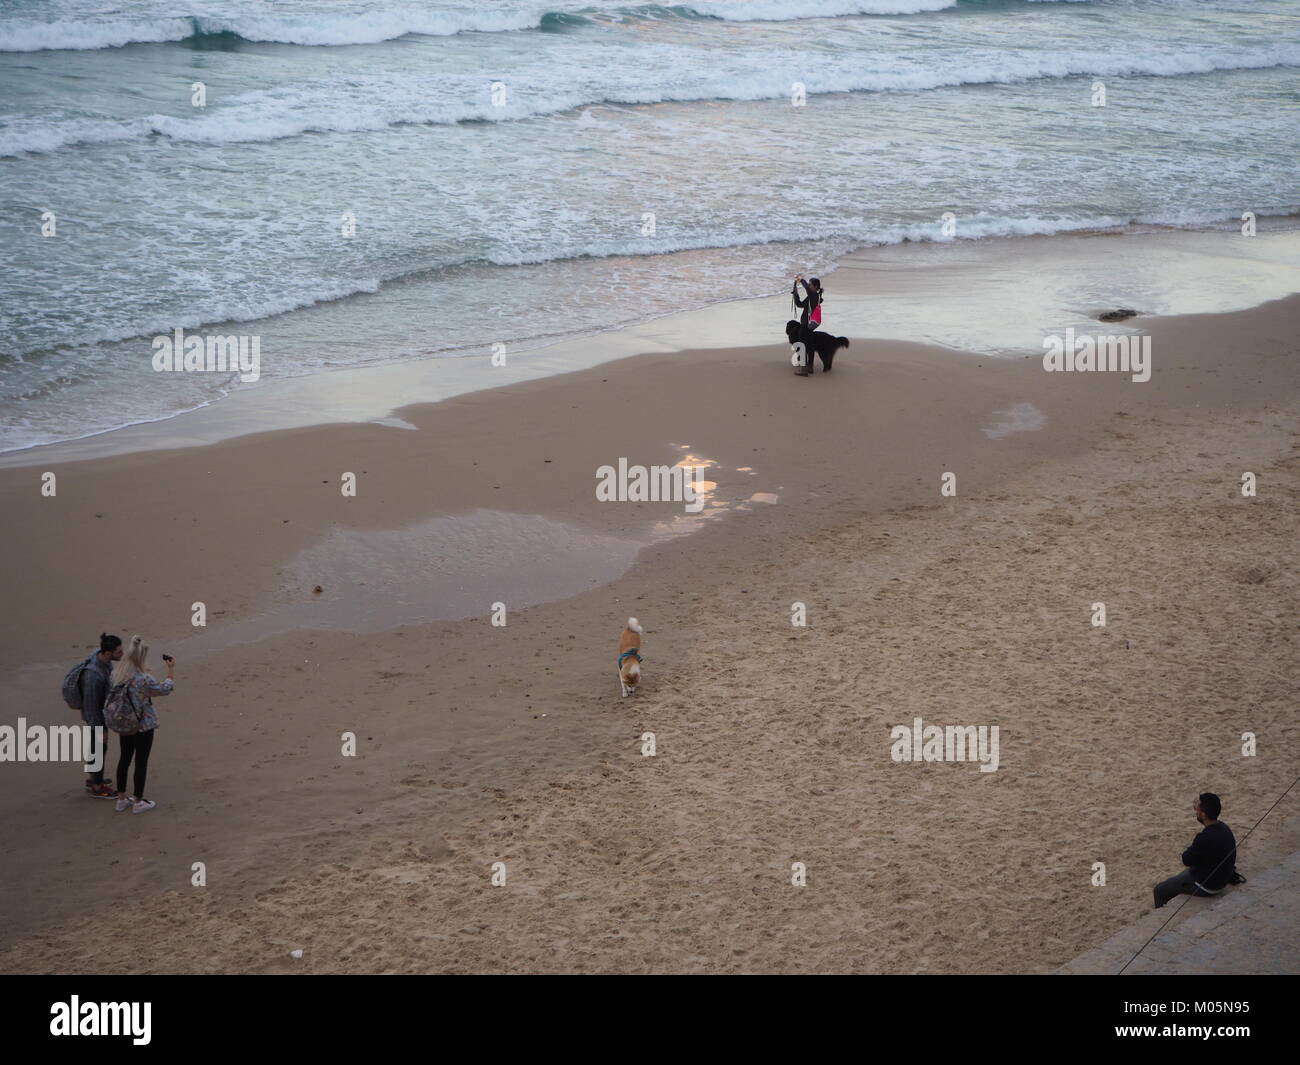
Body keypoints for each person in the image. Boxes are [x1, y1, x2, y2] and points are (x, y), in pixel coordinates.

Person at [109, 635, 175, 815]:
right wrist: (170, 671)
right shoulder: (144, 679)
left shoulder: (118, 675)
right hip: (143, 725)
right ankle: (138, 801)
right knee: (141, 762)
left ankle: (121, 799)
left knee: (124, 759)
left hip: (125, 724)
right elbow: (165, 689)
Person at [1153, 793, 1237, 907]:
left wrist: (1190, 849)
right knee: (1179, 878)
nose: (1196, 812)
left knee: (1159, 890)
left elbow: (1186, 860)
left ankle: (1162, 915)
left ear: (1204, 814)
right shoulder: (1224, 827)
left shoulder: (1204, 838)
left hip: (1207, 886)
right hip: (1222, 879)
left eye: (1197, 810)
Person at [79, 633, 123, 798]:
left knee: (96, 748)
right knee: (98, 748)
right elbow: (91, 706)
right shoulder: (93, 676)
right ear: (107, 653)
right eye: (118, 652)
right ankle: (97, 787)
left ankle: (94, 778)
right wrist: (100, 729)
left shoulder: (103, 658)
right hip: (95, 718)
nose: (121, 654)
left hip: (100, 714)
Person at [791, 275, 824, 376]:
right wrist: (796, 295)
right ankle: (810, 367)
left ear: (815, 287)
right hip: (809, 325)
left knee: (802, 345)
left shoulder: (813, 295)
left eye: (810, 285)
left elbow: (806, 288)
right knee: (809, 346)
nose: (808, 286)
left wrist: (801, 280)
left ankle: (804, 369)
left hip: (806, 325)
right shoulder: (814, 296)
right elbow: (800, 304)